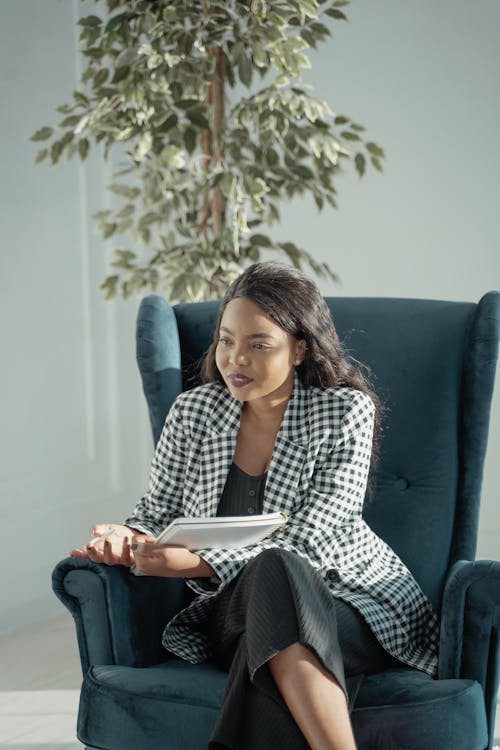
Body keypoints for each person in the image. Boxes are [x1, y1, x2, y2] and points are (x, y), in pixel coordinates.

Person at [71, 262, 439, 750]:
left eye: (258, 344)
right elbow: (157, 511)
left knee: (277, 570)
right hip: (231, 612)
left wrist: (198, 562)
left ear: (300, 347)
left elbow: (314, 533)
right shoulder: (194, 411)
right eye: (226, 340)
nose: (234, 359)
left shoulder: (346, 410)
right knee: (269, 592)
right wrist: (128, 537)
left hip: (348, 604)